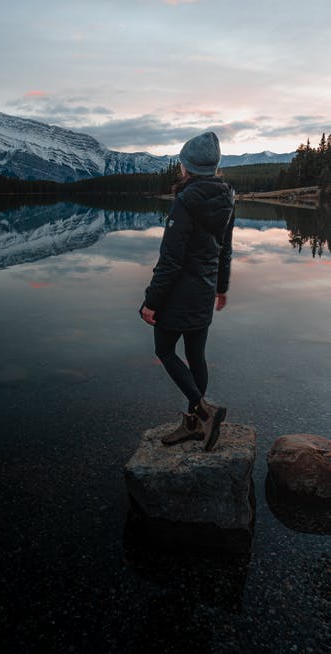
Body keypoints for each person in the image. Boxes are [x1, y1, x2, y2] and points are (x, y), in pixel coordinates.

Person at [139, 131, 235, 451]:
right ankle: (195, 424)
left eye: (183, 163)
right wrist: (221, 287)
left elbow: (171, 259)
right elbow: (225, 250)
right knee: (196, 355)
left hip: (180, 293)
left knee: (165, 351)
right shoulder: (227, 197)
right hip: (205, 290)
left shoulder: (185, 200)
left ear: (188, 167)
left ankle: (203, 410)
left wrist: (151, 302)